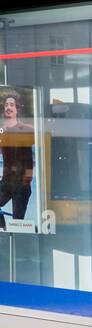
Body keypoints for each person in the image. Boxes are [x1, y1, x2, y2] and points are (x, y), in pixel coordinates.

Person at [0, 89, 35, 228]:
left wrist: (27, 178)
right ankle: (2, 229)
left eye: (11, 105)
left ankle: (16, 240)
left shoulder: (26, 129)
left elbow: (29, 157)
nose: (8, 107)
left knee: (18, 222)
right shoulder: (1, 130)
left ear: (17, 109)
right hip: (6, 181)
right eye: (6, 105)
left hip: (22, 184)